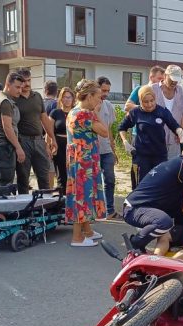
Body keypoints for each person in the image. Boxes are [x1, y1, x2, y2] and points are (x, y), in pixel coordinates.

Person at [123, 141, 183, 254]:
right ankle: (136, 242)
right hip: (135, 208)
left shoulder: (177, 163)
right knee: (164, 222)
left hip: (145, 206)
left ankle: (174, 242)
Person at [66, 79, 108, 247]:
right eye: (98, 96)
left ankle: (87, 230)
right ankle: (77, 237)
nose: (100, 100)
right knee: (82, 196)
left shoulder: (74, 111)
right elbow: (104, 131)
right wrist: (96, 113)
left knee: (83, 194)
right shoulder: (84, 113)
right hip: (84, 162)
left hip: (80, 160)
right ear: (89, 96)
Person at [117, 85, 183, 187]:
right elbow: (122, 127)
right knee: (140, 184)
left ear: (155, 98)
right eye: (145, 102)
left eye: (151, 101)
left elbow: (173, 124)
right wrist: (125, 141)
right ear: (140, 101)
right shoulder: (135, 112)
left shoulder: (162, 111)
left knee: (159, 184)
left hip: (159, 155)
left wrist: (179, 131)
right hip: (141, 155)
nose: (149, 104)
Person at [14, 69, 57, 194]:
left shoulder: (37, 96)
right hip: (23, 141)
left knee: (44, 177)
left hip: (39, 140)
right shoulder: (14, 98)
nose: (27, 84)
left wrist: (52, 138)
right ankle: (25, 211)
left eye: (29, 80)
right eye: (23, 81)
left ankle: (46, 208)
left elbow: (44, 118)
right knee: (23, 179)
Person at [0, 73, 25, 190]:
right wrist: (18, 147)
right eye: (17, 87)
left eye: (21, 88)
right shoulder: (5, 102)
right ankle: (1, 209)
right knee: (5, 186)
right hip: (4, 147)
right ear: (8, 85)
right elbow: (7, 127)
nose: (20, 91)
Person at [153, 65, 183, 159]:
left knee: (172, 167)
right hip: (156, 137)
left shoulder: (180, 90)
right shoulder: (153, 89)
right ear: (165, 76)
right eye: (172, 79)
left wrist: (181, 132)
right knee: (157, 168)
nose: (174, 82)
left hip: (174, 137)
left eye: (176, 80)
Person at [96, 76, 119, 219]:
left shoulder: (108, 105)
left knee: (110, 179)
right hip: (92, 150)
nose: (106, 93)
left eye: (108, 91)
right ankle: (97, 211)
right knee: (94, 182)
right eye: (103, 90)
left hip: (106, 150)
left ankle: (109, 210)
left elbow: (109, 129)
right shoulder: (89, 105)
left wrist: (113, 149)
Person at [49, 87, 74, 195]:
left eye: (69, 97)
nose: (67, 99)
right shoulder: (55, 112)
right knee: (61, 174)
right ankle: (62, 199)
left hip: (73, 145)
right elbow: (49, 131)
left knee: (72, 173)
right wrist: (49, 147)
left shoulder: (75, 112)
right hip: (59, 144)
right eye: (64, 97)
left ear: (73, 99)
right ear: (60, 99)